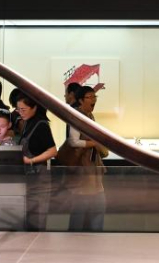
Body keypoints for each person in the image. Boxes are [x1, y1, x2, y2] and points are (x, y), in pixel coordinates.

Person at [65, 86, 108, 231]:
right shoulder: (77, 116)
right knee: (79, 215)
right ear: (81, 100)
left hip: (93, 169)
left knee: (97, 210)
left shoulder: (90, 116)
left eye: (94, 96)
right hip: (82, 170)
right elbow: (73, 141)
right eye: (90, 97)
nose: (94, 99)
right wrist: (93, 143)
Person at [17, 94, 57, 230]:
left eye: (24, 109)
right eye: (19, 110)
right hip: (29, 178)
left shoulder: (41, 124)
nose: (21, 113)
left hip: (39, 178)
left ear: (34, 108)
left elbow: (52, 151)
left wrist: (31, 160)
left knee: (38, 217)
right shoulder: (28, 122)